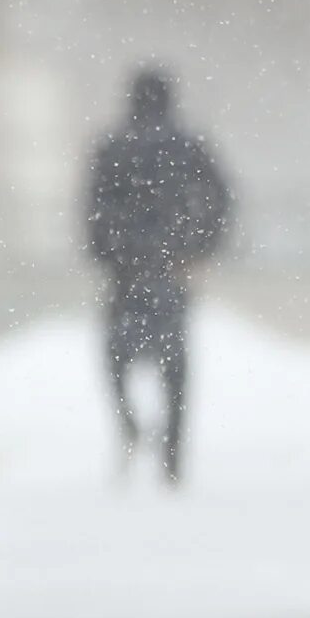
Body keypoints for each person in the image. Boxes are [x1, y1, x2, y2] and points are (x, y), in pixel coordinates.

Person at [82, 66, 232, 485]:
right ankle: (172, 453)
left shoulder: (112, 146)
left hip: (125, 271)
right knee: (175, 365)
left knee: (115, 356)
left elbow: (92, 205)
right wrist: (201, 247)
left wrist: (106, 253)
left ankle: (129, 421)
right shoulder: (190, 146)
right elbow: (222, 197)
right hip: (173, 268)